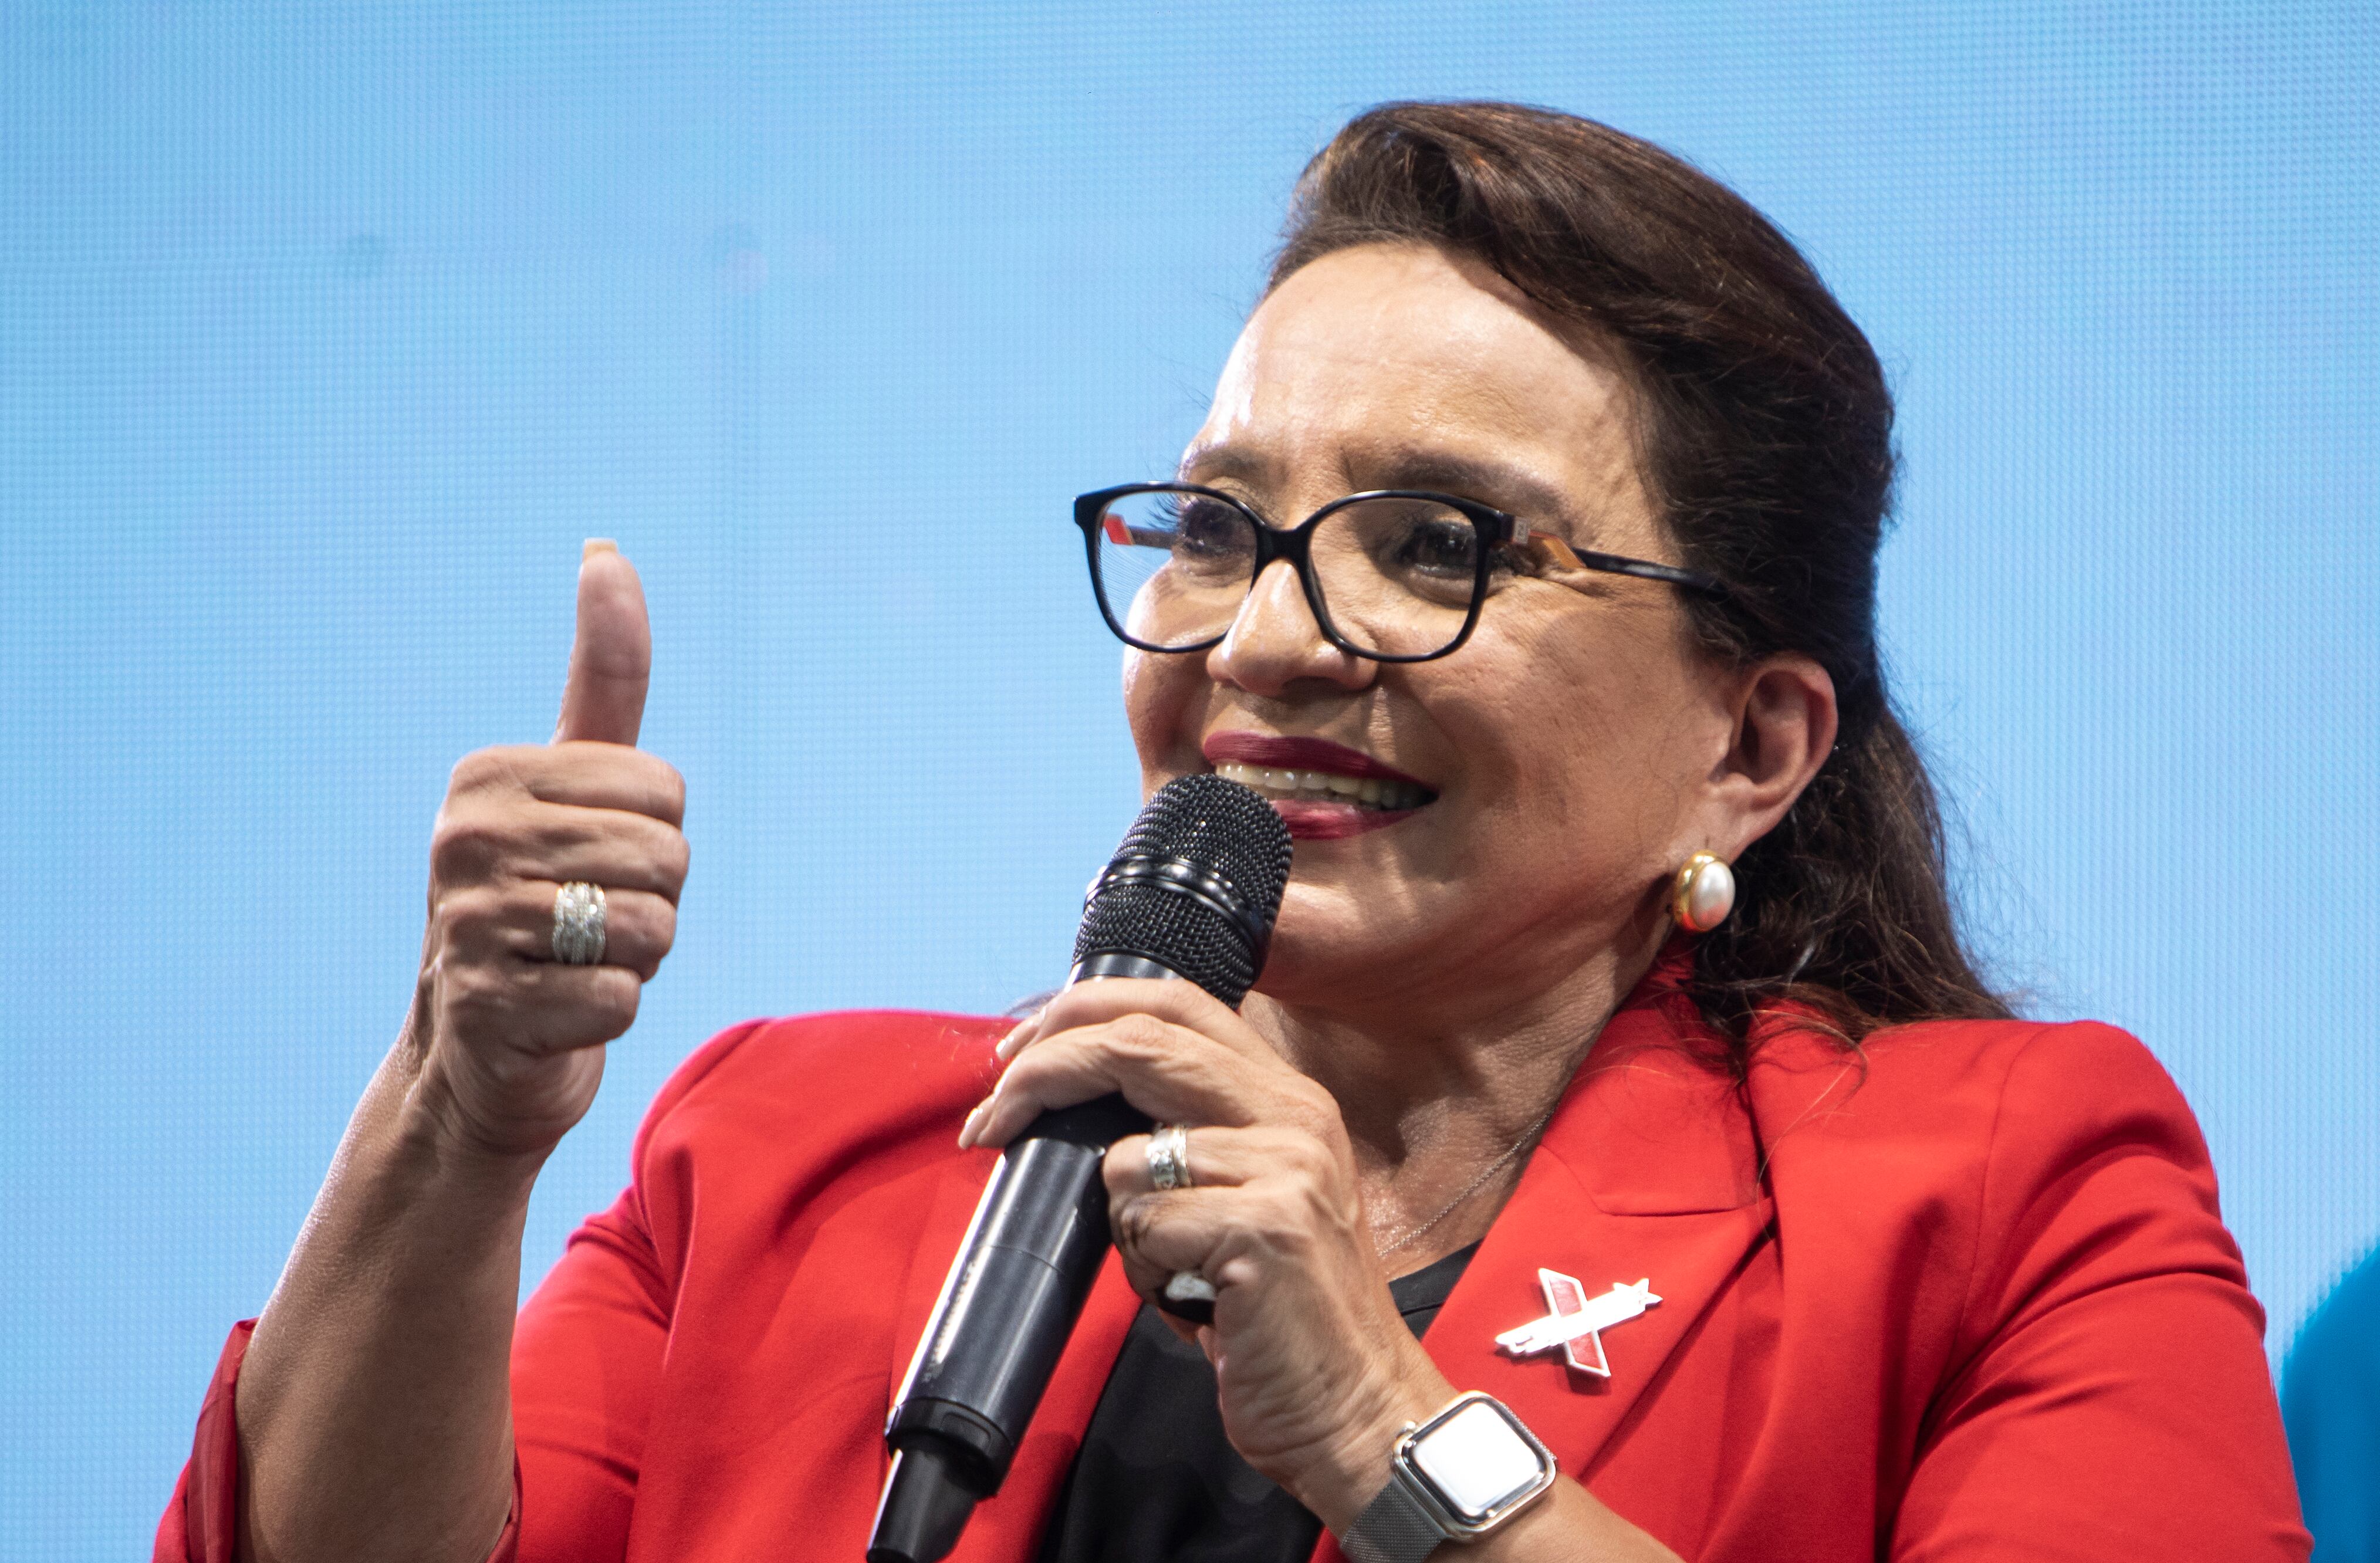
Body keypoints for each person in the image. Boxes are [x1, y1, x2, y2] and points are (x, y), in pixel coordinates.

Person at [157, 102, 2308, 1563]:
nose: (1270, 637)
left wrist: (1390, 1433)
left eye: (1439, 544)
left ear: (1750, 747)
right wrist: (463, 1112)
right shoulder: (793, 1154)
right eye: (1215, 528)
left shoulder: (2011, 1194)